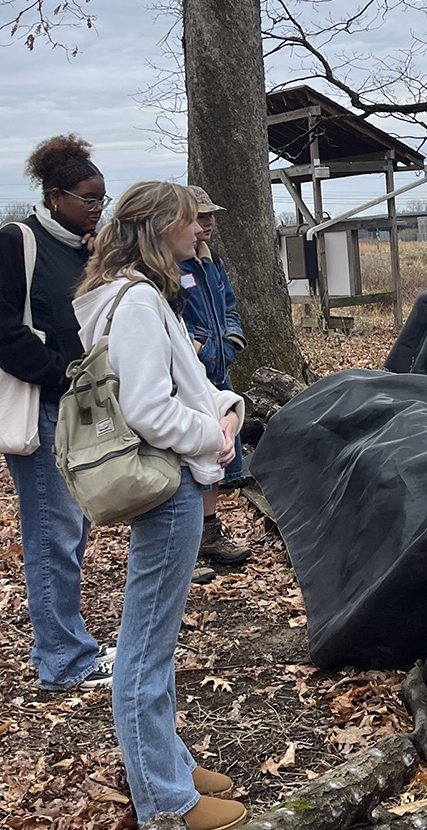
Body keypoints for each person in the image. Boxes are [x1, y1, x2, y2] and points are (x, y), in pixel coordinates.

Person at [73, 181, 247, 830]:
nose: (200, 229)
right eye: (187, 221)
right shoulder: (140, 300)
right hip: (169, 482)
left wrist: (219, 409)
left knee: (156, 640)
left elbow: (180, 385)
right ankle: (165, 798)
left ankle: (167, 761)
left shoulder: (133, 293)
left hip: (171, 477)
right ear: (156, 230)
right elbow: (147, 408)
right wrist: (214, 434)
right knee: (145, 648)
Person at [0, 134, 115, 691]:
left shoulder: (83, 246)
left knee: (72, 528)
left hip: (81, 407)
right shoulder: (15, 243)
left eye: (103, 197)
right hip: (39, 408)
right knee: (51, 532)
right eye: (88, 198)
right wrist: (60, 372)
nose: (97, 207)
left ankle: (68, 643)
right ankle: (62, 660)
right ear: (54, 195)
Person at [179, 185, 252, 568]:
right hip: (190, 376)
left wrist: (231, 341)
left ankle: (209, 533)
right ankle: (184, 544)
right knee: (190, 458)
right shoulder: (172, 264)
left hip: (219, 371)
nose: (207, 224)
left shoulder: (212, 260)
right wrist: (197, 351)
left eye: (210, 216)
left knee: (217, 454)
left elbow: (228, 305)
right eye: (199, 216)